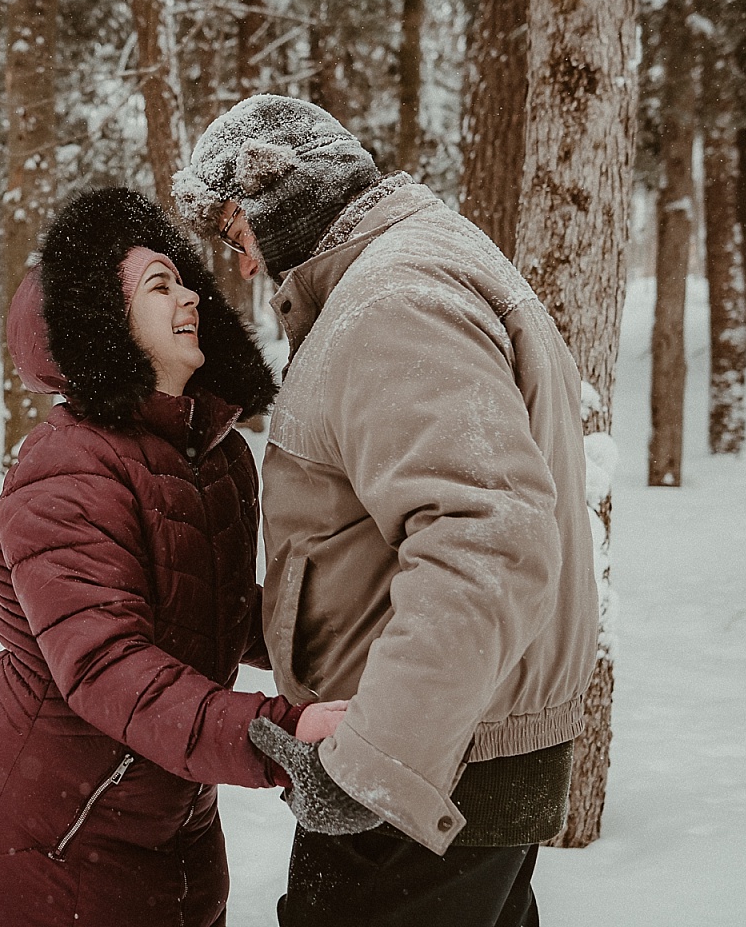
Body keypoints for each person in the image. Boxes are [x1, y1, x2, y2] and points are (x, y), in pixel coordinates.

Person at [171, 95, 600, 927]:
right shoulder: (403, 272)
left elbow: (487, 537)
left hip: (424, 763)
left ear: (277, 197)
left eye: (236, 234)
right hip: (452, 738)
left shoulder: (391, 301)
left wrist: (372, 765)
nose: (247, 268)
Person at [0, 186, 346, 927]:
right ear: (106, 324)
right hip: (47, 836)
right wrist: (277, 735)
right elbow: (107, 666)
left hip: (170, 823)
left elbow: (222, 615)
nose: (191, 298)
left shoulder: (218, 455)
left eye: (185, 279)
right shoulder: (67, 466)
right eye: (158, 285)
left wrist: (355, 628)